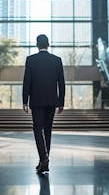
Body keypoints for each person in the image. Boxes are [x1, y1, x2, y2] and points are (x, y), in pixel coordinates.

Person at [22, 34, 65, 175]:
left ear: (37, 45)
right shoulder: (57, 60)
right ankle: (44, 161)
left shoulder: (31, 60)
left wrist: (24, 101)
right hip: (52, 101)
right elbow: (62, 83)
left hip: (36, 101)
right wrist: (61, 102)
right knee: (47, 130)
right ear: (48, 44)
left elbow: (27, 81)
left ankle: (44, 160)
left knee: (37, 129)